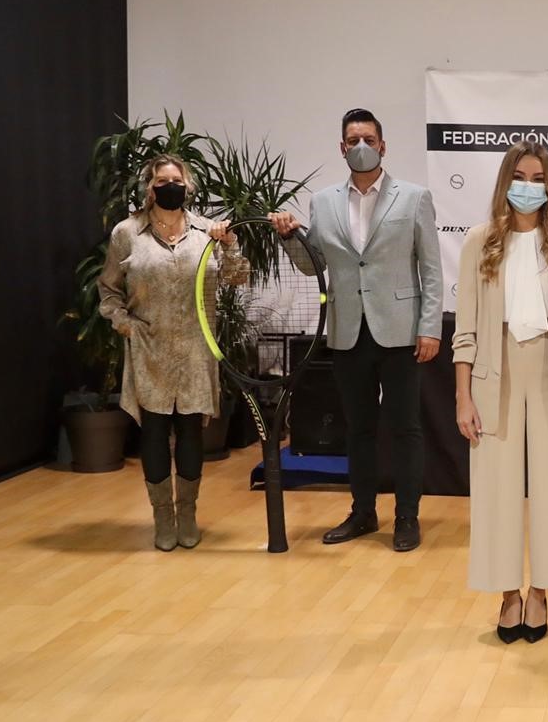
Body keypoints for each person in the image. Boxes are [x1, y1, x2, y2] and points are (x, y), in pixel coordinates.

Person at [270, 108, 443, 551]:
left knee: (405, 428)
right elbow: (313, 266)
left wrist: (430, 328)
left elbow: (431, 268)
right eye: (353, 140)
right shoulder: (323, 202)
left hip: (401, 331)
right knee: (358, 428)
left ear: (383, 146)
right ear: (342, 148)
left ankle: (407, 516)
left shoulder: (414, 197)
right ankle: (363, 512)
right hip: (348, 331)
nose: (361, 146)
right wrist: (289, 237)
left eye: (368, 139)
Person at [452, 141, 548, 644]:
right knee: (496, 488)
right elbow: (465, 330)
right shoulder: (479, 242)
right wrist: (463, 396)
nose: (528, 188)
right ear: (504, 182)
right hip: (495, 374)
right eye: (520, 177)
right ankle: (508, 594)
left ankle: (540, 592)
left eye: (538, 179)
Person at [99, 154, 243, 551]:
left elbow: (236, 278)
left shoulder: (206, 232)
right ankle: (163, 517)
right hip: (150, 350)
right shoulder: (127, 233)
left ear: (188, 185)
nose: (170, 186)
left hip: (197, 349)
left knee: (191, 432)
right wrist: (125, 325)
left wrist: (230, 245)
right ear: (150, 187)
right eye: (161, 181)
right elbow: (108, 290)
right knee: (155, 431)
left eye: (176, 180)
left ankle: (188, 514)